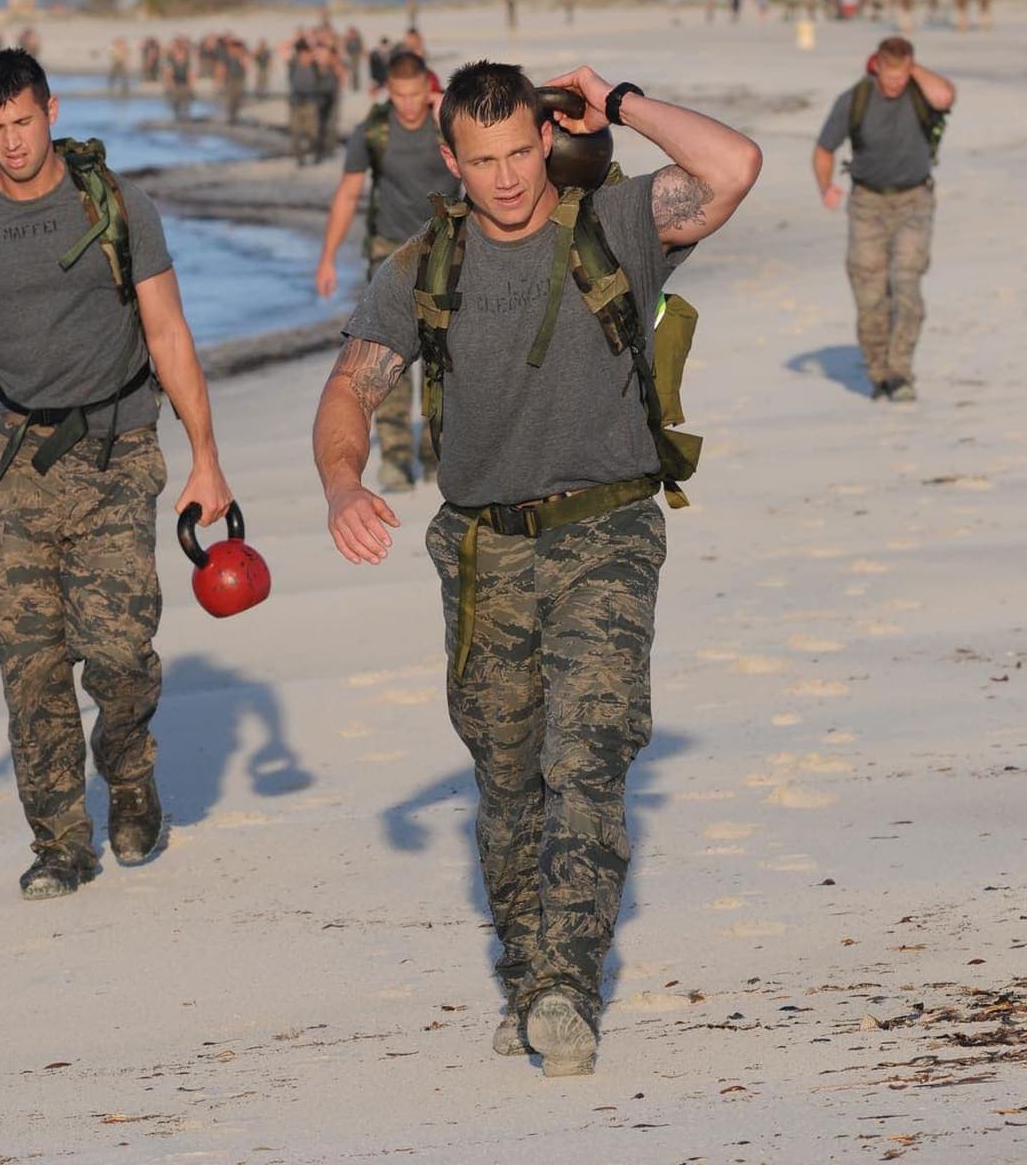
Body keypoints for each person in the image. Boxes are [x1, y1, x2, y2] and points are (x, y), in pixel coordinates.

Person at [312, 60, 760, 1075]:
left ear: (545, 138)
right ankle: (526, 971)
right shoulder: (423, 266)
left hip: (607, 533)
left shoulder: (617, 224)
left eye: (522, 151)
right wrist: (344, 485)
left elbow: (735, 167)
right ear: (451, 159)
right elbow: (348, 392)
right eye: (484, 161)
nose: (508, 178)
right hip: (481, 551)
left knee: (588, 756)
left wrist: (628, 103)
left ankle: (567, 986)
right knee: (508, 777)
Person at [0, 49, 233, 900]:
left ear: (52, 110)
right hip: (21, 460)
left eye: (23, 123)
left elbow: (169, 333)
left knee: (118, 652)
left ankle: (130, 773)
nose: (12, 142)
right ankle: (61, 842)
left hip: (118, 448)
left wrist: (206, 456)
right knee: (25, 654)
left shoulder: (116, 204)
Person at [314, 50, 457, 491]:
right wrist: (327, 257)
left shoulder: (447, 122)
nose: (409, 104)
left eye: (416, 94)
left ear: (427, 87)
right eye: (400, 95)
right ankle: (396, 457)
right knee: (387, 360)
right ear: (388, 91)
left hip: (447, 250)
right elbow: (347, 194)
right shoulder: (372, 130)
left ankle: (438, 451)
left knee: (445, 356)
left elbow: (488, 167)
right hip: (389, 255)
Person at [813, 37, 955, 401]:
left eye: (901, 76)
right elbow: (824, 148)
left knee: (906, 288)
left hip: (915, 202)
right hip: (867, 206)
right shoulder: (855, 99)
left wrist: (913, 69)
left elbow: (945, 97)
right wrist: (825, 185)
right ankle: (879, 374)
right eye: (889, 76)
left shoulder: (920, 91)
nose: (895, 85)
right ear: (875, 66)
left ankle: (901, 373)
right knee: (869, 294)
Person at [287, 38, 321, 167]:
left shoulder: (315, 67)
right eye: (302, 55)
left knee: (312, 133)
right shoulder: (293, 65)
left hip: (310, 103)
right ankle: (300, 159)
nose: (305, 57)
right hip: (296, 103)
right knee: (296, 132)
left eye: (307, 55)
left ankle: (314, 154)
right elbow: (283, 50)